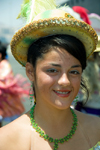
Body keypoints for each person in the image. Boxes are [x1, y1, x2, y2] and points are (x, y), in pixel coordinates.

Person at [0, 0, 100, 149]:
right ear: (30, 71)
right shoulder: (6, 140)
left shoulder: (97, 129)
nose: (65, 81)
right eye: (52, 70)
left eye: (74, 71)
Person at [0, 41, 30, 127]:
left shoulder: (5, 64)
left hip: (7, 100)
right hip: (3, 101)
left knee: (13, 123)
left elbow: (5, 79)